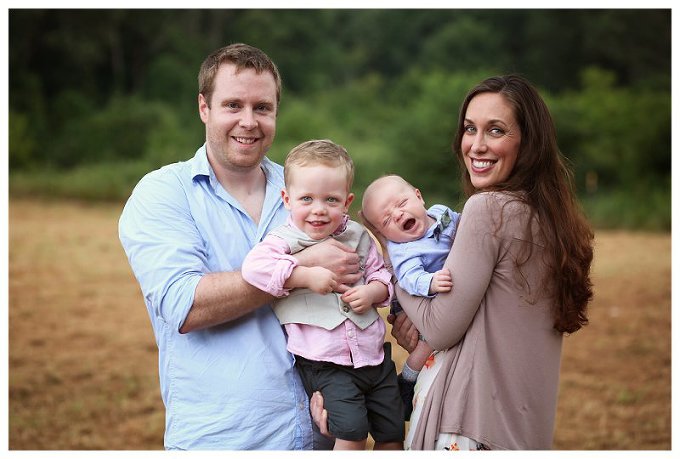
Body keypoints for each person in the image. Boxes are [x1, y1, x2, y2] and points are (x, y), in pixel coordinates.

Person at [118, 44, 361, 450]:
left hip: (318, 435)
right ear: (203, 107)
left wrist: (340, 387)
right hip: (222, 440)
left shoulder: (307, 193)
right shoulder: (163, 193)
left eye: (262, 108)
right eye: (233, 104)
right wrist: (300, 269)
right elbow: (185, 305)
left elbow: (348, 286)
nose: (249, 122)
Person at [384, 75, 594, 450]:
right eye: (469, 129)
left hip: (471, 424)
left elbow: (441, 326)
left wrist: (396, 276)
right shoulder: (554, 219)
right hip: (524, 429)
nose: (476, 145)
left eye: (495, 130)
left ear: (527, 143)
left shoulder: (487, 209)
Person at [241, 139, 404, 451]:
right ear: (287, 199)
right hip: (325, 361)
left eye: (331, 199)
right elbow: (254, 269)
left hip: (374, 357)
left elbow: (382, 274)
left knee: (392, 430)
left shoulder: (358, 236)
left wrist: (372, 292)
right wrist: (304, 274)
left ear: (347, 201)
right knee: (352, 431)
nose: (318, 210)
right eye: (306, 199)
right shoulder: (282, 240)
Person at [359, 174, 460, 420]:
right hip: (425, 304)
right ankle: (407, 381)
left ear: (419, 196)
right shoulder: (404, 251)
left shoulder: (441, 213)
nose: (397, 214)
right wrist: (431, 282)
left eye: (402, 204)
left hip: (454, 298)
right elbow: (409, 279)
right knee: (426, 345)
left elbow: (461, 224)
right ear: (383, 233)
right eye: (386, 220)